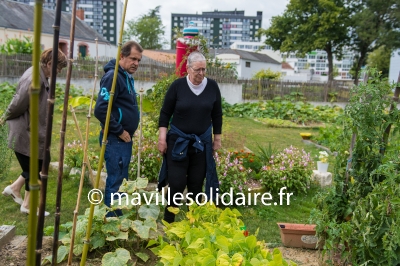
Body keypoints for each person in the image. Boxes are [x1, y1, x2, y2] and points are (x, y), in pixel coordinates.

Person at [1, 48, 68, 216]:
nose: (59, 72)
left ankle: (14, 188)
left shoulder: (40, 75)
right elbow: (18, 103)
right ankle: (27, 206)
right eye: (59, 68)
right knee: (35, 169)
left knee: (37, 165)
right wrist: (4, 117)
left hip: (31, 130)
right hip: (25, 131)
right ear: (50, 64)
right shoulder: (34, 79)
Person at [157, 51, 223, 223]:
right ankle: (169, 220)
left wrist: (217, 139)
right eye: (197, 70)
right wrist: (162, 139)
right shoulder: (177, 86)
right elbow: (165, 114)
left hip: (201, 144)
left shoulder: (212, 87)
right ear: (188, 68)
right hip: (178, 143)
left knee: (195, 185)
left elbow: (217, 115)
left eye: (204, 70)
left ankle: (192, 223)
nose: (201, 73)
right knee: (177, 184)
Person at [94, 40, 143, 217]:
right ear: (122, 56)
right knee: (115, 182)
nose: (136, 63)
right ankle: (111, 223)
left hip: (122, 140)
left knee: (121, 181)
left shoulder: (125, 77)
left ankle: (118, 220)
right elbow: (100, 109)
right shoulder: (112, 77)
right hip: (115, 139)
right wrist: (120, 131)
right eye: (133, 59)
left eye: (139, 60)